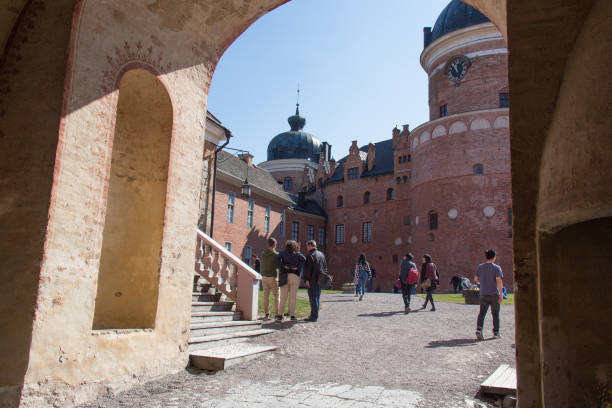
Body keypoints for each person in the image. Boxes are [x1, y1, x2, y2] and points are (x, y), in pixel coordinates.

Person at [474, 249, 504, 340]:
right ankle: (496, 333)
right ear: (494, 257)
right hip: (494, 294)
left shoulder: (480, 267)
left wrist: (482, 282)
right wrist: (501, 294)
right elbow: (499, 281)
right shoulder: (497, 268)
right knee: (495, 314)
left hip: (483, 294)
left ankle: (479, 330)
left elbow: (476, 279)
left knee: (482, 313)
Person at [277, 240, 306, 322]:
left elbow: (278, 259)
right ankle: (292, 316)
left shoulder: (282, 253)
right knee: (293, 297)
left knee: (283, 297)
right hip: (295, 276)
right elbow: (304, 259)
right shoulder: (297, 254)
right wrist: (297, 267)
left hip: (285, 276)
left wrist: (284, 266)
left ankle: (280, 315)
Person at [303, 240, 327, 322]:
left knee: (313, 298)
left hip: (312, 280)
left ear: (310, 246)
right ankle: (314, 314)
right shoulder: (322, 254)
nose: (306, 248)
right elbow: (325, 267)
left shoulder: (310, 255)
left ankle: (314, 316)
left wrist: (306, 280)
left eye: (307, 246)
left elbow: (307, 270)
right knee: (317, 297)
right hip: (320, 280)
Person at [259, 239, 279, 321]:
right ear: (274, 245)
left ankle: (266, 314)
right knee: (276, 296)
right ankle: (277, 314)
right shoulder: (276, 254)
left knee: (266, 296)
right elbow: (278, 266)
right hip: (272, 277)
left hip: (264, 277)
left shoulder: (263, 254)